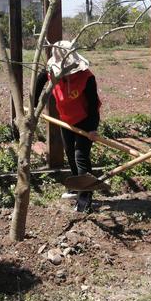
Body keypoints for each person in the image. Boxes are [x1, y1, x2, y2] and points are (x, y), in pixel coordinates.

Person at [35, 41, 101, 213]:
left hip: (86, 120)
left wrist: (93, 128)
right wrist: (34, 106)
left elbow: (93, 105)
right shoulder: (52, 72)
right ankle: (75, 186)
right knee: (70, 152)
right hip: (66, 119)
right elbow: (39, 82)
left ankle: (85, 199)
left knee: (81, 156)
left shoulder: (86, 77)